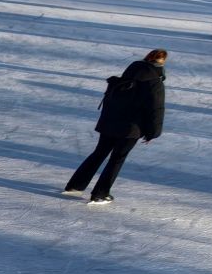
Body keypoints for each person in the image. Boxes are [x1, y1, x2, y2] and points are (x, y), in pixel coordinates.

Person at [62, 50, 167, 204]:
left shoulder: (126, 77)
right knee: (117, 159)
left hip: (109, 123)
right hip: (131, 128)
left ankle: (75, 185)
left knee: (99, 153)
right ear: (161, 64)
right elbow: (156, 110)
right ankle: (100, 193)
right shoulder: (155, 83)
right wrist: (153, 133)